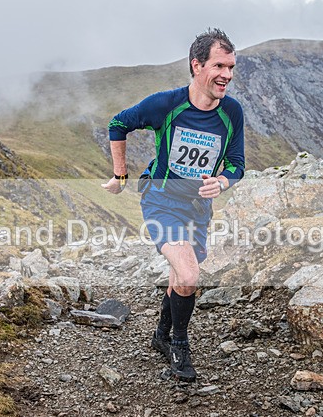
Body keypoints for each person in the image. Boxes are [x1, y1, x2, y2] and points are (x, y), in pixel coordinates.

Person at [102, 28, 245, 382]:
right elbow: (118, 123)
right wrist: (120, 176)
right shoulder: (167, 104)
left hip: (197, 208)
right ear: (197, 65)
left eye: (230, 66)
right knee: (189, 274)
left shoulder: (232, 112)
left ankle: (161, 336)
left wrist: (222, 181)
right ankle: (180, 343)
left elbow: (237, 163)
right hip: (161, 198)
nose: (226, 75)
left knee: (181, 277)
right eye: (219, 66)